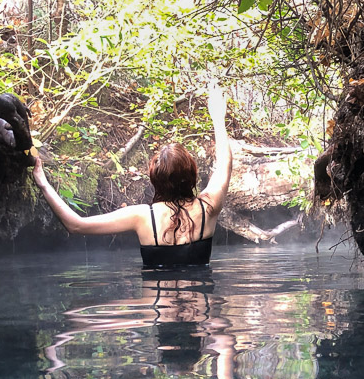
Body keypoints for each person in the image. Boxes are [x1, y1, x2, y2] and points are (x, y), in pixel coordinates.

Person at [33, 83, 233, 268]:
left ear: (155, 179)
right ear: (191, 174)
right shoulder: (208, 207)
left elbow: (75, 225)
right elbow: (225, 161)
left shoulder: (142, 216)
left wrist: (43, 183)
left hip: (154, 306)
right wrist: (217, 117)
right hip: (200, 307)